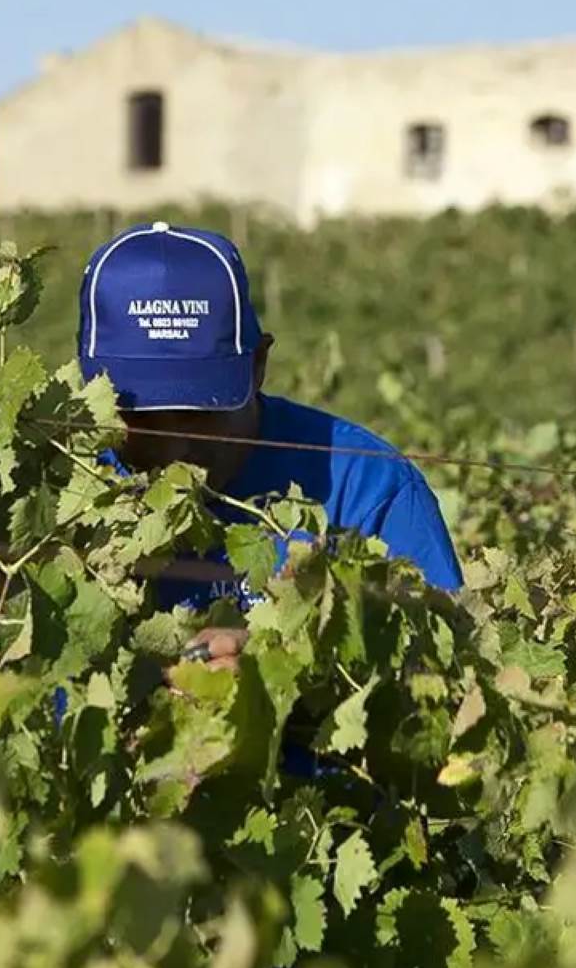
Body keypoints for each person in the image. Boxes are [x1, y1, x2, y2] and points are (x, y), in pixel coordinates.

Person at [78, 220, 463, 668]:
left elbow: (445, 679)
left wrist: (288, 672)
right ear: (91, 385)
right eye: (141, 415)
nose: (176, 445)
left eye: (204, 409)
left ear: (257, 365)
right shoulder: (52, 489)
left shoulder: (367, 489)